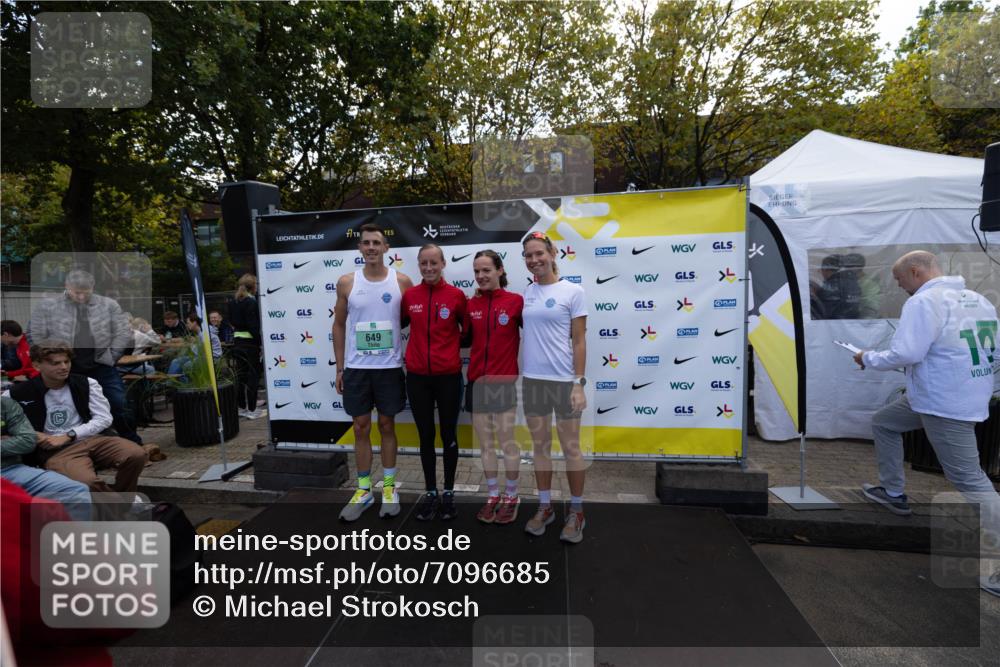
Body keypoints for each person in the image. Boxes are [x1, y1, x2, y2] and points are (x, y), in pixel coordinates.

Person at [853, 250, 1000, 597]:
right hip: (950, 395)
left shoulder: (923, 302)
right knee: (885, 423)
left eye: (900, 280)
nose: (900, 286)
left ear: (916, 271)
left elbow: (907, 353)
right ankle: (892, 492)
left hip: (943, 404)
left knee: (972, 482)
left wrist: (866, 357)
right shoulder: (977, 299)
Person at [332, 223, 413, 521]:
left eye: (376, 243)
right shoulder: (347, 282)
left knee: (388, 426)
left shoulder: (402, 281)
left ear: (386, 248)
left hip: (389, 369)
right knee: (361, 427)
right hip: (357, 369)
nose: (371, 248)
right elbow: (338, 325)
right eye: (366, 243)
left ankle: (389, 488)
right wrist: (340, 367)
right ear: (360, 248)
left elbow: (412, 321)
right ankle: (364, 489)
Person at [8, 340, 147, 497]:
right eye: (55, 363)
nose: (63, 367)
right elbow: (7, 425)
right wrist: (34, 435)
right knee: (86, 482)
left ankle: (123, 501)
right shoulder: (16, 393)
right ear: (37, 366)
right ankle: (121, 507)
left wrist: (70, 435)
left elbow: (103, 418)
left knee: (136, 454)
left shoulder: (86, 383)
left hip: (92, 439)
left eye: (66, 361)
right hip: (56, 451)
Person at [519, 231, 589, 543]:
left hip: (564, 383)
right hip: (534, 380)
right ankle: (545, 506)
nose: (534, 260)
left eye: (539, 254)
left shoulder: (573, 292)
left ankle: (576, 512)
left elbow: (579, 340)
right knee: (540, 447)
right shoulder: (528, 292)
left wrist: (578, 384)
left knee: (571, 448)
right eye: (529, 256)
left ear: (552, 253)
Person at [27, 269, 141, 444]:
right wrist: (49, 360)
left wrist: (112, 356)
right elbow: (34, 335)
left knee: (119, 404)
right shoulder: (47, 307)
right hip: (65, 367)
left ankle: (133, 442)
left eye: (86, 293)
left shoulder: (109, 305)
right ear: (67, 286)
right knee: (71, 407)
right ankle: (84, 446)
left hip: (101, 364)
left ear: (93, 287)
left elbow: (122, 333)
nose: (81, 297)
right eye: (76, 293)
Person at [402, 244, 467, 521]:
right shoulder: (410, 296)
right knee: (426, 437)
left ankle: (449, 493)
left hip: (449, 378)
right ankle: (430, 492)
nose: (428, 268)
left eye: (433, 263)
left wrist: (448, 351)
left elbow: (468, 333)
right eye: (423, 263)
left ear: (443, 264)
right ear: (418, 265)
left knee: (449, 436)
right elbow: (402, 324)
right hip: (417, 378)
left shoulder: (456, 296)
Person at [463, 250, 524, 525]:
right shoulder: (471, 305)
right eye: (477, 271)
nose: (481, 275)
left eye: (486, 270)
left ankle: (512, 497)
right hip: (476, 382)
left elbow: (536, 334)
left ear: (500, 270)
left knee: (507, 442)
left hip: (502, 383)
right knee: (486, 445)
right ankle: (493, 495)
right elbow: (463, 338)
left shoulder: (515, 302)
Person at [1, 396, 91, 521]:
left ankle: (75, 539)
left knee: (75, 490)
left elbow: (28, 440)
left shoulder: (5, 404)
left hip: (10, 469)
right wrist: (10, 440)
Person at [228, 274, 264, 419]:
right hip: (250, 345)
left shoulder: (233, 302)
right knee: (253, 377)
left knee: (241, 377)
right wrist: (260, 343)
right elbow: (253, 326)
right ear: (253, 286)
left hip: (237, 343)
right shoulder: (251, 302)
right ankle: (252, 409)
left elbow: (232, 321)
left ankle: (242, 408)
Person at [813, 254, 861, 320]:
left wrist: (816, 295)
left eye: (821, 270)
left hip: (835, 325)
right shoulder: (853, 281)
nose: (821, 273)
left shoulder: (831, 285)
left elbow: (820, 311)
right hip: (853, 322)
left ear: (825, 269)